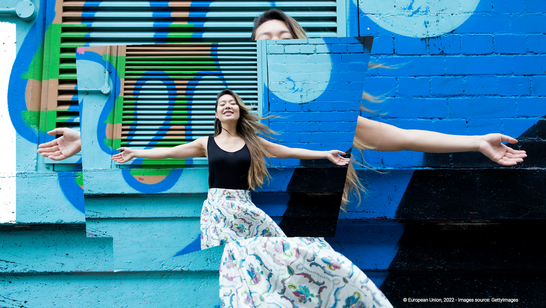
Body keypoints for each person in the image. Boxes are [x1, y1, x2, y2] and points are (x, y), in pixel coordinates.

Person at [113, 89, 393, 307]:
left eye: (232, 102)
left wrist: (325, 155)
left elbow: (285, 151)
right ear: (216, 114)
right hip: (217, 210)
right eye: (222, 103)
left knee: (287, 247)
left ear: (238, 110)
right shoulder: (206, 143)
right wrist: (136, 152)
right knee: (237, 259)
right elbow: (171, 152)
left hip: (245, 208)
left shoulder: (252, 143)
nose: (227, 105)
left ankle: (322, 283)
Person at [251, 8, 527, 204]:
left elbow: (404, 138)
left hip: (296, 234)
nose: (275, 46)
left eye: (284, 39)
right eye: (265, 40)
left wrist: (478, 142)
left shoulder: (323, 116)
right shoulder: (235, 112)